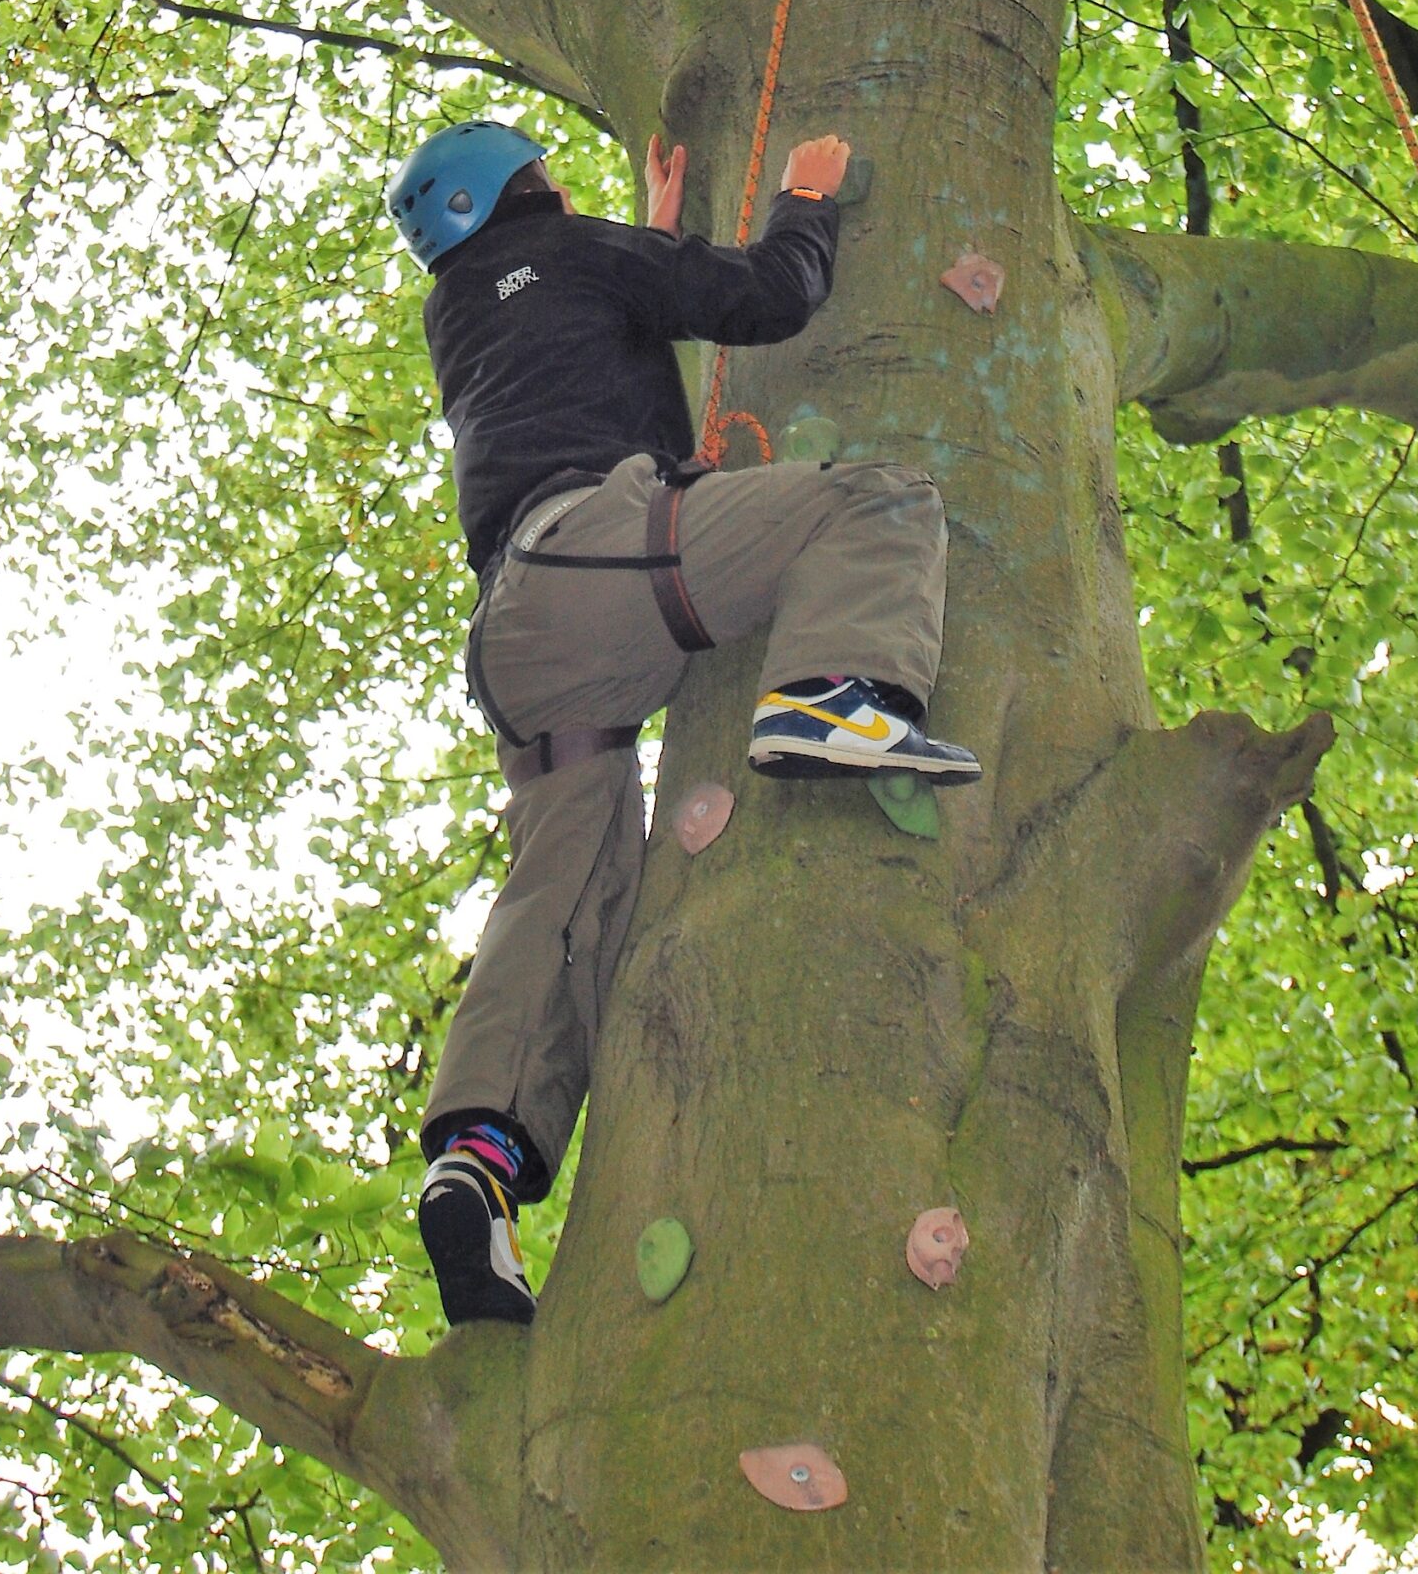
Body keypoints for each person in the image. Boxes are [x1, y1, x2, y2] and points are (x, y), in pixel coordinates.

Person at [386, 116, 978, 1326]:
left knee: (566, 895)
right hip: (595, 556)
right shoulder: (572, 256)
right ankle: (834, 693)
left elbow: (584, 337)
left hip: (522, 638)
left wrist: (643, 237)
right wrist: (805, 200)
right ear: (527, 188)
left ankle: (478, 1164)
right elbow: (765, 297)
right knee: (875, 502)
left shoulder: (465, 313)